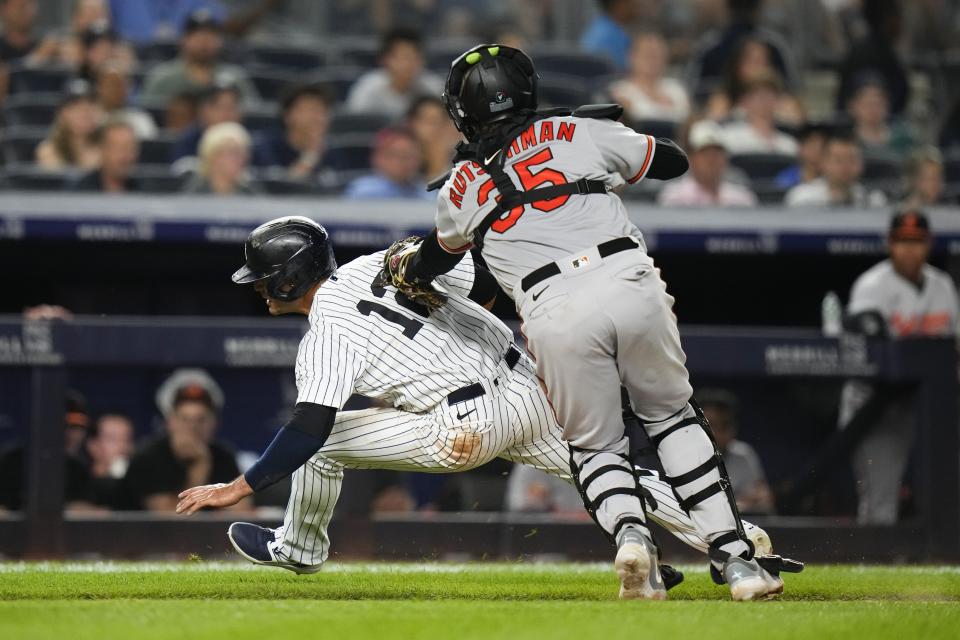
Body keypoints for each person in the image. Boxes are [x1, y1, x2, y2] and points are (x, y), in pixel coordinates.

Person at [174, 216, 776, 587]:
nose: (257, 289)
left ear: (285, 281)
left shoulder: (325, 333)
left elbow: (309, 425)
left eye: (261, 280)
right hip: (526, 385)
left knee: (324, 445)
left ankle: (299, 548)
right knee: (605, 470)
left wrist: (238, 487)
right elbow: (485, 283)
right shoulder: (386, 259)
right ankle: (736, 538)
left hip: (464, 425)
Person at [390, 44, 791, 600]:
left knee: (598, 447)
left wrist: (409, 264)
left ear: (464, 110)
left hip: (551, 306)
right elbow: (672, 160)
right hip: (626, 278)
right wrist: (600, 136)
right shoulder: (574, 131)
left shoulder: (459, 184)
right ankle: (738, 560)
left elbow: (436, 260)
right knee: (671, 419)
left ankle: (632, 540)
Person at [839, 210, 959, 524]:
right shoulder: (872, 286)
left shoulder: (942, 285)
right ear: (890, 244)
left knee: (943, 494)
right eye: (902, 241)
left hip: (927, 405)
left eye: (917, 242)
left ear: (929, 244)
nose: (909, 249)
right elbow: (862, 345)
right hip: (876, 403)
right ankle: (871, 564)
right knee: (880, 500)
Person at [122, 382, 249, 512]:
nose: (192, 428)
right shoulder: (149, 456)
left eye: (201, 420)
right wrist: (200, 466)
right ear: (170, 422)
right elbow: (169, 520)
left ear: (214, 423)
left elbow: (242, 512)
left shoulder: (223, 455)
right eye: (185, 419)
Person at [141, 10, 259, 108]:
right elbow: (147, 113)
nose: (204, 41)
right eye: (198, 34)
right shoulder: (163, 78)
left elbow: (253, 114)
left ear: (220, 41)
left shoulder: (235, 77)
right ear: (184, 39)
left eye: (210, 35)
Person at [0, 390, 93, 512]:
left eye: (79, 428)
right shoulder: (12, 460)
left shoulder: (78, 468)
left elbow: (84, 510)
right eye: (67, 427)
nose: (74, 435)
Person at [689, 0, 795, 95]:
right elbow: (693, 89)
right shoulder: (711, 45)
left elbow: (791, 90)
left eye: (759, 61)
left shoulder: (772, 44)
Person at [696, 389, 774, 515]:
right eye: (711, 425)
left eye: (724, 425)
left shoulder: (743, 454)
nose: (716, 433)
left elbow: (763, 497)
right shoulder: (684, 455)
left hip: (741, 525)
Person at [704, 37, 804, 126]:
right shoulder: (724, 100)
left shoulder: (785, 101)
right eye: (755, 62)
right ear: (739, 67)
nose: (761, 68)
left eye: (765, 62)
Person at [345, 28, 443, 118]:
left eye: (415, 57)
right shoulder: (367, 89)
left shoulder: (434, 88)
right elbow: (354, 124)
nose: (409, 64)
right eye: (404, 57)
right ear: (384, 60)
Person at [658, 120, 757, 207]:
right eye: (705, 154)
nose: (712, 160)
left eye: (717, 154)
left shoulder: (742, 200)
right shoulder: (675, 198)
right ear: (691, 158)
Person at [836, 0, 909, 115]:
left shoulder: (882, 51)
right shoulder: (873, 52)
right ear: (887, 18)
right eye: (896, 17)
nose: (900, 23)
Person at [252, 83, 334, 179]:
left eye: (323, 111)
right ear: (288, 116)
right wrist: (311, 156)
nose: (318, 118)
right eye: (312, 110)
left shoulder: (333, 152)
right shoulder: (265, 148)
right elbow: (279, 189)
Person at [608, 32, 691, 124]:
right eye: (647, 55)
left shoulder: (675, 88)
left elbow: (690, 121)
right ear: (632, 57)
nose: (652, 60)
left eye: (658, 55)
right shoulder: (621, 91)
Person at [785, 132, 887, 207]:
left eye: (852, 160)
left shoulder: (874, 200)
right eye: (838, 160)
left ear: (861, 164)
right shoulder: (802, 198)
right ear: (824, 162)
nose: (846, 166)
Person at [719, 73, 798, 156]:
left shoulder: (789, 145)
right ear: (744, 101)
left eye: (770, 95)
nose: (765, 101)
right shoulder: (729, 138)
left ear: (778, 101)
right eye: (759, 96)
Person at [344, 126, 431, 200]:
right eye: (394, 154)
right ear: (377, 157)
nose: (401, 161)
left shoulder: (427, 193)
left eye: (409, 155)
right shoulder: (362, 191)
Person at [35, 80, 103, 171]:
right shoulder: (48, 151)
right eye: (76, 105)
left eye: (90, 103)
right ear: (61, 114)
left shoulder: (106, 148)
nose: (85, 111)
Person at [181, 121, 259, 195]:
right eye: (232, 152)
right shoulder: (194, 193)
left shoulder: (250, 192)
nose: (240, 159)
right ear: (211, 156)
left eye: (243, 153)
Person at [170, 82, 241, 162]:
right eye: (222, 107)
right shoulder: (187, 142)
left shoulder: (248, 144)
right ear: (204, 110)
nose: (228, 114)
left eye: (232, 108)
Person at [846, 74, 913, 158]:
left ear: (887, 105)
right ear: (852, 106)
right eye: (867, 104)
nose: (872, 109)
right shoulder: (846, 140)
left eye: (877, 103)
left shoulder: (903, 139)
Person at [72, 119, 142, 193]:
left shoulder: (146, 190)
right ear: (102, 150)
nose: (125, 155)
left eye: (130, 147)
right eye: (118, 147)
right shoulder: (81, 191)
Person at [94, 61, 158, 140]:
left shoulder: (141, 121)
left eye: (120, 85)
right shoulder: (91, 120)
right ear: (99, 87)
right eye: (110, 84)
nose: (115, 90)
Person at [84, 413, 135, 509]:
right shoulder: (79, 486)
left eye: (127, 439)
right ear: (93, 446)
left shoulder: (139, 487)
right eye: (112, 439)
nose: (122, 446)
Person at [406, 95, 462, 181]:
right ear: (411, 123)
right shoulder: (399, 155)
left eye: (441, 122)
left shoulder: (457, 158)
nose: (437, 128)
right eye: (430, 121)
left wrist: (439, 164)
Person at [579, 0, 638, 72]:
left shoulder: (614, 29)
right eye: (630, 3)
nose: (634, 8)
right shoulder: (604, 35)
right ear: (620, 5)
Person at [775, 123, 828, 190]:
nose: (817, 152)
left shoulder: (833, 179)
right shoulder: (785, 180)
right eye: (812, 146)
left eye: (822, 148)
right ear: (801, 147)